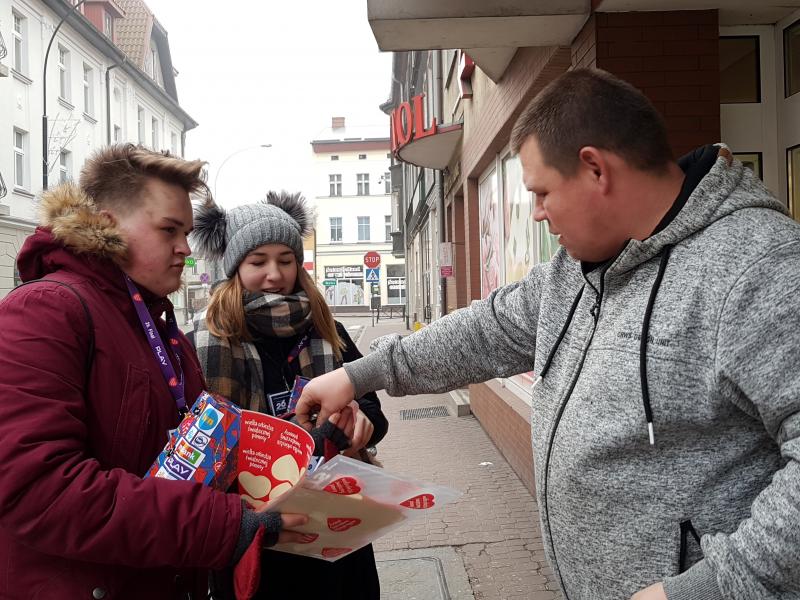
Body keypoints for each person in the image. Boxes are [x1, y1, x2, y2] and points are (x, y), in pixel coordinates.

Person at [295, 68, 800, 600]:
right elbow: (482, 331)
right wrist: (359, 375)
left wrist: (705, 589)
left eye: (541, 192)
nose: (536, 214)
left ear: (594, 168)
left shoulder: (759, 267)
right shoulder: (577, 270)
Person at [0, 144, 307, 599]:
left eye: (185, 231)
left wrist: (303, 446)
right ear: (106, 225)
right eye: (169, 230)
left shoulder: (160, 328)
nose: (185, 248)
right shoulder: (44, 310)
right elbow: (35, 489)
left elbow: (200, 445)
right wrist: (222, 524)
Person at [191, 192, 388, 600]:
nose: (275, 274)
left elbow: (372, 407)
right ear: (234, 267)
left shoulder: (323, 326)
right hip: (257, 532)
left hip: (334, 527)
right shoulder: (203, 342)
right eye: (258, 261)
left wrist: (359, 420)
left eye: (285, 259)